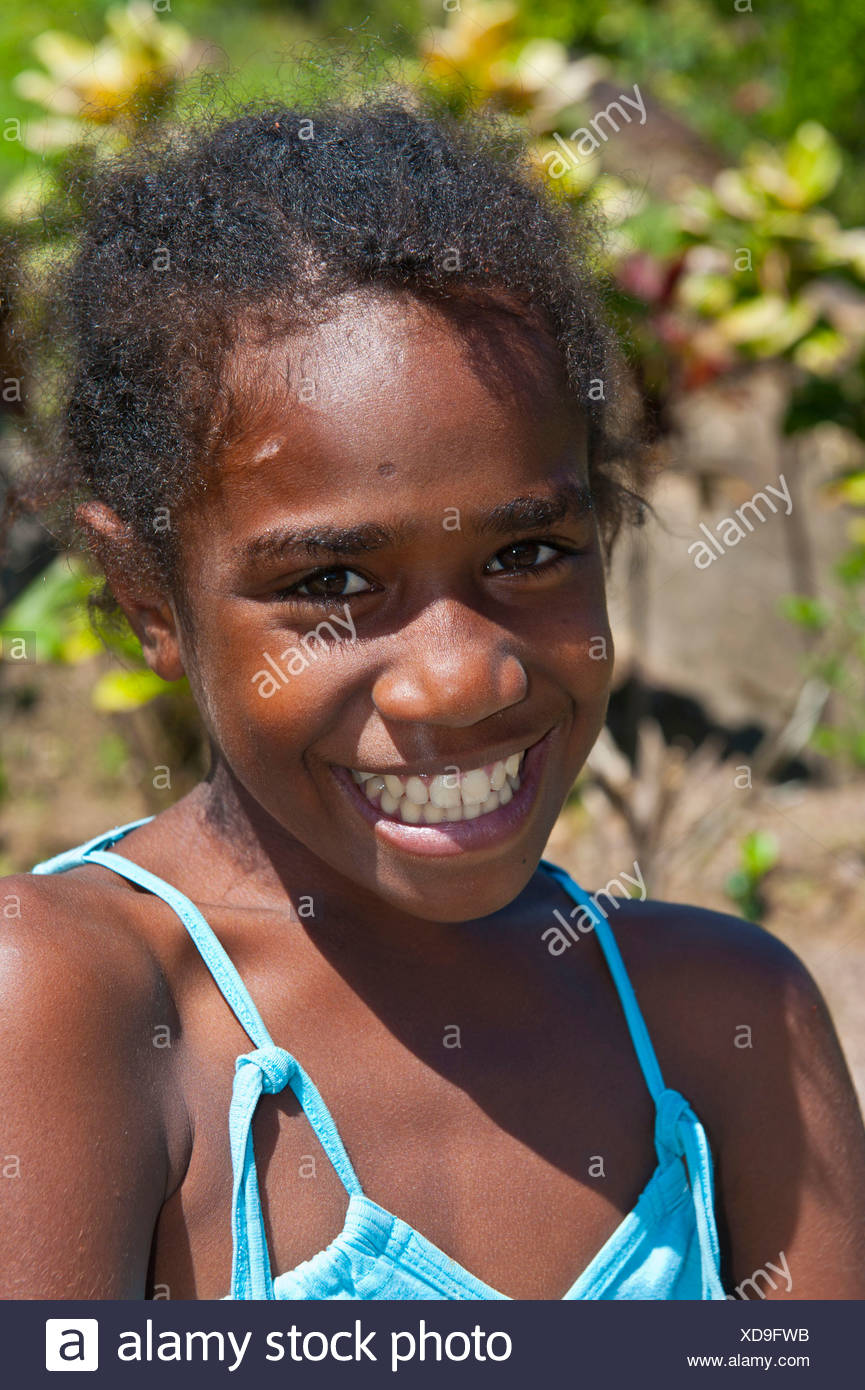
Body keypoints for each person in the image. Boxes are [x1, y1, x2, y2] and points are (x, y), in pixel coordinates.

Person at [2, 90, 864, 1302]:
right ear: (148, 595)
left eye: (527, 555)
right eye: (333, 580)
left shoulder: (723, 1019)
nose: (466, 678)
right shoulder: (77, 1000)